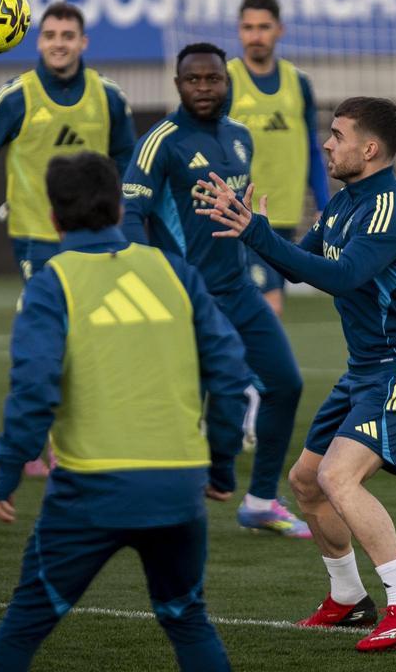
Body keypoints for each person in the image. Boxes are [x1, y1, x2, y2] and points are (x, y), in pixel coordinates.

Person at [196, 96, 396, 652]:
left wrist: (260, 235)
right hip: (365, 371)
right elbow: (300, 264)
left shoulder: (388, 207)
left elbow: (343, 276)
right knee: (307, 483)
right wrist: (251, 230)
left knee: (338, 478)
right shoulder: (343, 204)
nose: (327, 144)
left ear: (370, 148)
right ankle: (349, 599)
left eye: (337, 135)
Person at [0, 152, 249, 671]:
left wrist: (8, 472)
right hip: (178, 487)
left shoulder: (51, 282)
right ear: (118, 206)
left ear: (54, 218)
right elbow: (233, 374)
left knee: (26, 622)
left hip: (92, 490)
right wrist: (219, 466)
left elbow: (34, 388)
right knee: (187, 619)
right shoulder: (172, 269)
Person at [121, 43, 309, 538]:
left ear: (227, 83)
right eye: (193, 80)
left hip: (239, 290)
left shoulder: (241, 136)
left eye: (213, 79)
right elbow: (131, 215)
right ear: (178, 84)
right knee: (195, 399)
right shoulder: (161, 141)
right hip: (188, 295)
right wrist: (153, 279)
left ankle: (261, 500)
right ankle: (167, 498)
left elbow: (238, 214)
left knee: (285, 385)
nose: (203, 88)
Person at [0, 1, 136, 477]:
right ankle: (42, 441)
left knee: (95, 336)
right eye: (50, 34)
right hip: (38, 238)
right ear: (38, 41)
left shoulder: (109, 96)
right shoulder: (17, 96)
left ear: (83, 42)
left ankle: (79, 432)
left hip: (99, 239)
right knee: (52, 334)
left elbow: (128, 164)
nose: (58, 42)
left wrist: (130, 223)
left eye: (67, 35)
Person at [228, 0, 330, 317]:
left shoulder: (298, 83)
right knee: (268, 305)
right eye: (248, 27)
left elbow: (312, 148)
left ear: (279, 30)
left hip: (285, 214)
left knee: (261, 310)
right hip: (241, 214)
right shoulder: (226, 81)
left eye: (263, 27)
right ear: (239, 31)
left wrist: (323, 205)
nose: (255, 35)